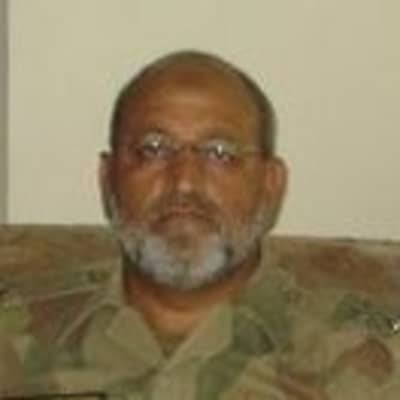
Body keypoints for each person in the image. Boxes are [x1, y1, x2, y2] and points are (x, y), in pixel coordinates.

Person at [1, 50, 400, 399]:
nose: (184, 182)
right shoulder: (13, 334)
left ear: (271, 184)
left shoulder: (374, 364)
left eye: (220, 153)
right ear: (107, 179)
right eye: (153, 149)